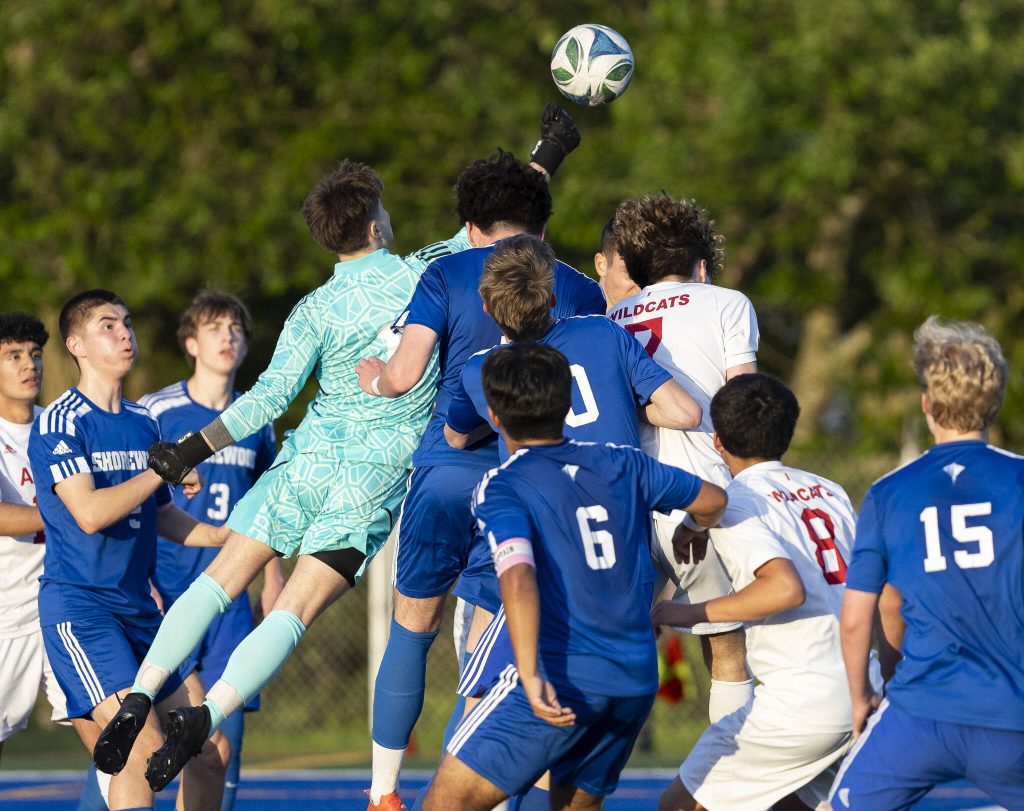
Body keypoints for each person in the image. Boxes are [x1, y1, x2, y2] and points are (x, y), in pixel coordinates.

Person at [92, 157, 476, 793]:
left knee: (219, 583)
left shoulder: (313, 307)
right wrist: (546, 155)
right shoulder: (422, 275)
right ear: (376, 226)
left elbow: (269, 398)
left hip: (305, 462)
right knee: (290, 613)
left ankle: (138, 697)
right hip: (371, 478)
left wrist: (193, 448)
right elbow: (493, 222)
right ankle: (207, 713)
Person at [356, 145, 604, 807]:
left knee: (413, 622)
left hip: (444, 472)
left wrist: (371, 376)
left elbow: (404, 373)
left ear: (469, 227)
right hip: (528, 478)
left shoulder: (447, 272)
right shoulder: (579, 286)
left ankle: (383, 792)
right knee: (500, 636)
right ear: (544, 227)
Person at [423, 342, 727, 811]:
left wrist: (527, 671)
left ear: (496, 419)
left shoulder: (504, 483)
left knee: (446, 804)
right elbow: (712, 501)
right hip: (632, 679)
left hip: (561, 672)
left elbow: (519, 577)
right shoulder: (621, 462)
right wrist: (691, 530)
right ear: (567, 405)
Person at [29, 290, 228, 811]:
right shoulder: (59, 422)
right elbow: (91, 513)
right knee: (143, 748)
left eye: (127, 323)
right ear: (75, 345)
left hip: (141, 613)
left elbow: (161, 515)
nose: (123, 333)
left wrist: (223, 535)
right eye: (106, 325)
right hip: (84, 614)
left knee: (208, 748)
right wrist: (157, 471)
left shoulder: (143, 422)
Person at [829, 317, 1024, 810]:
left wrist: (861, 700)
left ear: (926, 403)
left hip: (919, 713)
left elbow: (856, 619)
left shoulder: (889, 492)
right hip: (1011, 712)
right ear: (995, 403)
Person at [654, 373, 871, 811]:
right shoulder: (830, 491)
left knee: (678, 806)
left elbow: (783, 588)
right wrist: (698, 524)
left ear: (717, 441)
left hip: (800, 700)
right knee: (788, 803)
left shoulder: (738, 500)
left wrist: (682, 614)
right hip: (859, 687)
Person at [609, 193, 759, 723]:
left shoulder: (613, 314)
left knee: (615, 646)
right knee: (729, 646)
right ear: (700, 265)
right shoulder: (727, 302)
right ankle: (734, 790)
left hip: (625, 499)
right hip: (701, 494)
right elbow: (744, 404)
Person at [138, 292, 281, 811]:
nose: (228, 336)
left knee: (224, 734)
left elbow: (272, 505)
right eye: (215, 327)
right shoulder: (158, 410)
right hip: (169, 592)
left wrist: (274, 580)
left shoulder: (257, 418)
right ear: (192, 343)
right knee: (146, 737)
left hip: (233, 599)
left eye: (236, 328)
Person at [0, 313, 71, 758]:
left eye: (36, 354)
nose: (30, 364)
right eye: (13, 355)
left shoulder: (60, 426)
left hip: (68, 603)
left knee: (109, 727)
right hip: (8, 612)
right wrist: (71, 510)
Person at [593, 216, 638, 310]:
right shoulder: (568, 317)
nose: (641, 288)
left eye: (650, 275)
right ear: (601, 265)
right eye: (631, 273)